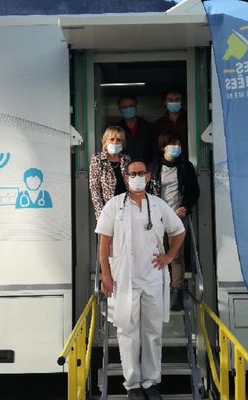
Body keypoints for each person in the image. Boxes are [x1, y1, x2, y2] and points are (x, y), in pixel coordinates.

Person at [96, 160, 186, 400]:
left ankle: (151, 382)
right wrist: (106, 274)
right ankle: (133, 385)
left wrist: (169, 256)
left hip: (153, 277)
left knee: (153, 333)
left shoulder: (158, 205)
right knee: (128, 332)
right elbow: (103, 243)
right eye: (132, 173)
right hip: (124, 278)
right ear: (126, 178)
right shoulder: (114, 206)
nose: (136, 177)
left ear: (148, 177)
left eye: (141, 173)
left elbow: (178, 230)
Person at [148, 129, 199, 311]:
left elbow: (194, 192)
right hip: (157, 217)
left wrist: (185, 206)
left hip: (178, 216)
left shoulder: (186, 167)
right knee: (156, 254)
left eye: (178, 144)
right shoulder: (154, 167)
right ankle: (158, 290)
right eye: (172, 144)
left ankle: (176, 291)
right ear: (163, 147)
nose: (176, 147)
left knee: (175, 256)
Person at [89, 125, 131, 220]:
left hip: (127, 207)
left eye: (119, 140)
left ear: (122, 143)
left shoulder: (126, 159)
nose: (115, 142)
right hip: (108, 210)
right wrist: (100, 213)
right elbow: (95, 188)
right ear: (105, 141)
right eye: (112, 139)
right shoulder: (98, 159)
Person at [116, 95, 157, 165]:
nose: (128, 109)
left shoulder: (149, 127)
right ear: (120, 109)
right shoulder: (116, 129)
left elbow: (155, 151)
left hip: (146, 170)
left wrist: (152, 169)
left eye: (131, 106)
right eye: (124, 107)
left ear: (136, 107)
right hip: (124, 170)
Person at [154, 89, 188, 158]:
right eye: (170, 99)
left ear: (182, 101)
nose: (174, 102)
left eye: (177, 99)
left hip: (188, 159)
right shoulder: (159, 123)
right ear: (165, 102)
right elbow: (156, 146)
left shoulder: (190, 120)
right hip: (166, 161)